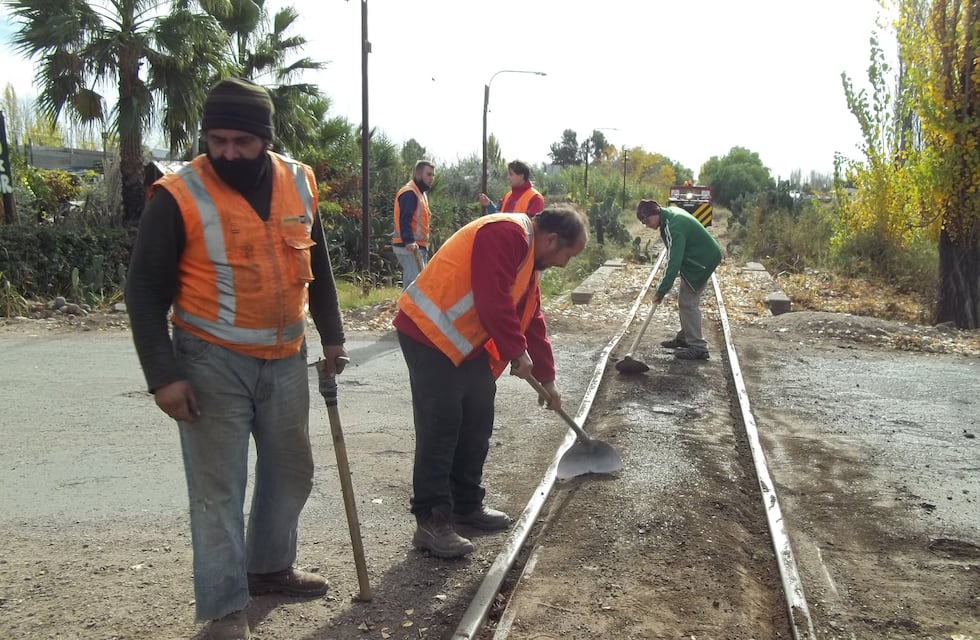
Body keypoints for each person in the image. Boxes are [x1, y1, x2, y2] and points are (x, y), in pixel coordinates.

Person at [126, 77, 347, 640]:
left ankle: (269, 567)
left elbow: (318, 265)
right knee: (218, 490)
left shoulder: (298, 180)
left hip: (286, 356)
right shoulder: (178, 195)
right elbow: (144, 290)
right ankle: (225, 610)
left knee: (291, 470)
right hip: (210, 360)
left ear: (265, 139)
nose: (227, 152)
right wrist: (163, 377)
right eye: (216, 140)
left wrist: (333, 335)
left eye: (241, 142)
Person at [394, 205, 588, 558]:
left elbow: (531, 318)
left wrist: (548, 379)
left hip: (462, 342)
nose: (564, 264)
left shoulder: (529, 261)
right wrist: (516, 351)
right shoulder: (506, 233)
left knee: (477, 419)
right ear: (552, 239)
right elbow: (492, 298)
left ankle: (466, 505)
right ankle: (431, 521)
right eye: (568, 255)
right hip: (427, 333)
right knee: (442, 426)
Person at [636, 199, 722, 360]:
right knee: (685, 299)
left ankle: (698, 347)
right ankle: (685, 337)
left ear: (654, 214)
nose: (646, 225)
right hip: (698, 256)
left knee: (688, 303)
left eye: (646, 221)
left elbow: (673, 262)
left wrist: (661, 291)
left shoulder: (673, 226)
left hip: (702, 260)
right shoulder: (668, 216)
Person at [392, 160, 434, 289]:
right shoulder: (409, 192)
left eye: (433, 175)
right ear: (418, 174)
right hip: (408, 246)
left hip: (416, 246)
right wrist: (409, 241)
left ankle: (406, 303)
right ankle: (407, 303)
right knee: (415, 283)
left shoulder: (420, 194)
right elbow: (405, 219)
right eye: (429, 174)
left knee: (414, 282)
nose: (431, 178)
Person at [478, 159, 545, 216]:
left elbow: (534, 224)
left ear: (521, 176)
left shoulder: (535, 198)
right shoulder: (507, 196)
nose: (508, 177)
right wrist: (488, 205)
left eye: (511, 174)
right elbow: (498, 217)